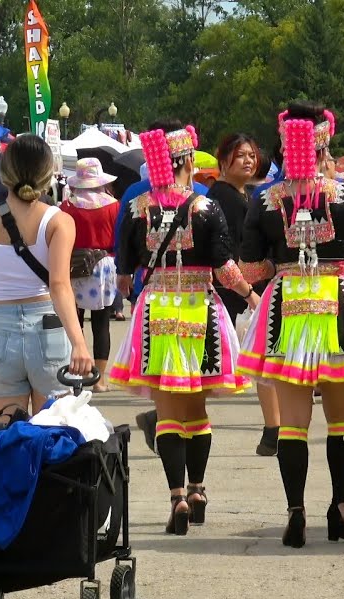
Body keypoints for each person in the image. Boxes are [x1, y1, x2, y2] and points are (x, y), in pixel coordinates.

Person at [237, 101, 344, 548]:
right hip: (338, 302)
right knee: (342, 420)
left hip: (285, 307)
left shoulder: (265, 200)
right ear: (325, 145)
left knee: (293, 423)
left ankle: (295, 511)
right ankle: (340, 507)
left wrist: (284, 265)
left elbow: (252, 267)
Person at [111, 123, 255, 535]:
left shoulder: (138, 209)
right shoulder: (206, 207)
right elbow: (225, 267)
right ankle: (198, 490)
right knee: (197, 411)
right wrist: (250, 295)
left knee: (169, 415)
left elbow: (123, 278)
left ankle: (176, 497)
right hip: (201, 312)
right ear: (189, 161)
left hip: (156, 310)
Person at [0, 134, 93, 416]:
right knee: (54, 435)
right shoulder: (59, 221)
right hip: (49, 328)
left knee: (4, 438)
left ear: (4, 174)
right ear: (47, 174)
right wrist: (79, 343)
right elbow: (59, 285)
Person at [113, 124, 213, 455]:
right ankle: (193, 481)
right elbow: (219, 253)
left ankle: (177, 485)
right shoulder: (201, 198)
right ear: (187, 159)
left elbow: (122, 247)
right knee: (194, 388)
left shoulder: (134, 196)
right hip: (197, 300)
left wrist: (126, 278)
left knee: (164, 380)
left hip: (153, 296)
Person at [206, 133, 283, 455]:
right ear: (224, 161)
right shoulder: (225, 198)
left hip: (241, 286)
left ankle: (274, 431)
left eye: (252, 155)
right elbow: (228, 252)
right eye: (241, 156)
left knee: (212, 367)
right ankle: (273, 431)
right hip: (236, 289)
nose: (249, 161)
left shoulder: (242, 194)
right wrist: (252, 287)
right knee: (261, 360)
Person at [59, 157, 120, 391]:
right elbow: (118, 239)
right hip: (104, 265)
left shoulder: (66, 206)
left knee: (74, 320)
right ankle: (100, 379)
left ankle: (78, 372)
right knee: (101, 322)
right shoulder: (114, 205)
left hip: (74, 263)